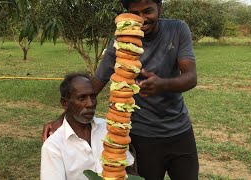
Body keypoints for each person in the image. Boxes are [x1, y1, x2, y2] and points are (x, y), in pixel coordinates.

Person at [43, 0, 199, 179]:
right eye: (135, 13)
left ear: (160, 8)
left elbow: (191, 77)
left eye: (148, 11)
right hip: (142, 136)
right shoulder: (119, 43)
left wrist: (162, 84)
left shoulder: (177, 30)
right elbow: (95, 84)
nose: (141, 19)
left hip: (179, 131)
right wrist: (61, 119)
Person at [40, 73, 134, 180]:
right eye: (82, 98)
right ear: (65, 103)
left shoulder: (108, 128)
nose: (90, 104)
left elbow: (127, 166)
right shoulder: (54, 146)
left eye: (93, 97)